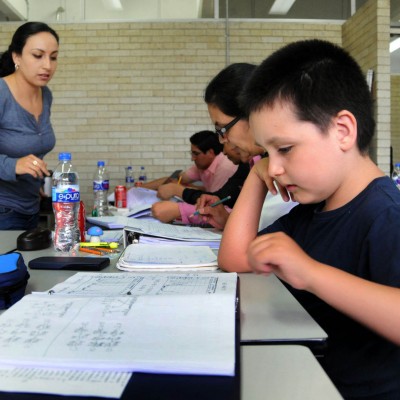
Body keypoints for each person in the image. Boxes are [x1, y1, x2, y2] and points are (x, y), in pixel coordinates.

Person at [217, 39, 400, 399]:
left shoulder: (385, 213)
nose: (276, 166)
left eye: (284, 149)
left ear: (343, 131)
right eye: (266, 153)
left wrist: (312, 274)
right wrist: (256, 176)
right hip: (309, 378)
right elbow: (235, 259)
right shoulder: (311, 214)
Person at [193, 63, 296, 230]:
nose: (222, 140)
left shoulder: (282, 168)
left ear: (252, 113)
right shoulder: (259, 163)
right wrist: (227, 220)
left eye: (223, 129)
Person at [0, 22, 59, 230]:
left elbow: (32, 148)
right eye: (37, 55)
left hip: (31, 207)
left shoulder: (46, 95)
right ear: (17, 57)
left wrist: (34, 179)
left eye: (53, 57)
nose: (47, 66)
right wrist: (14, 165)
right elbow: (17, 159)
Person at [151, 142, 251, 225]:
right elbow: (178, 177)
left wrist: (179, 195)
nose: (192, 158)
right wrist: (140, 187)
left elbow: (220, 200)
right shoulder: (201, 165)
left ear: (210, 152)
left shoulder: (226, 166)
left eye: (196, 153)